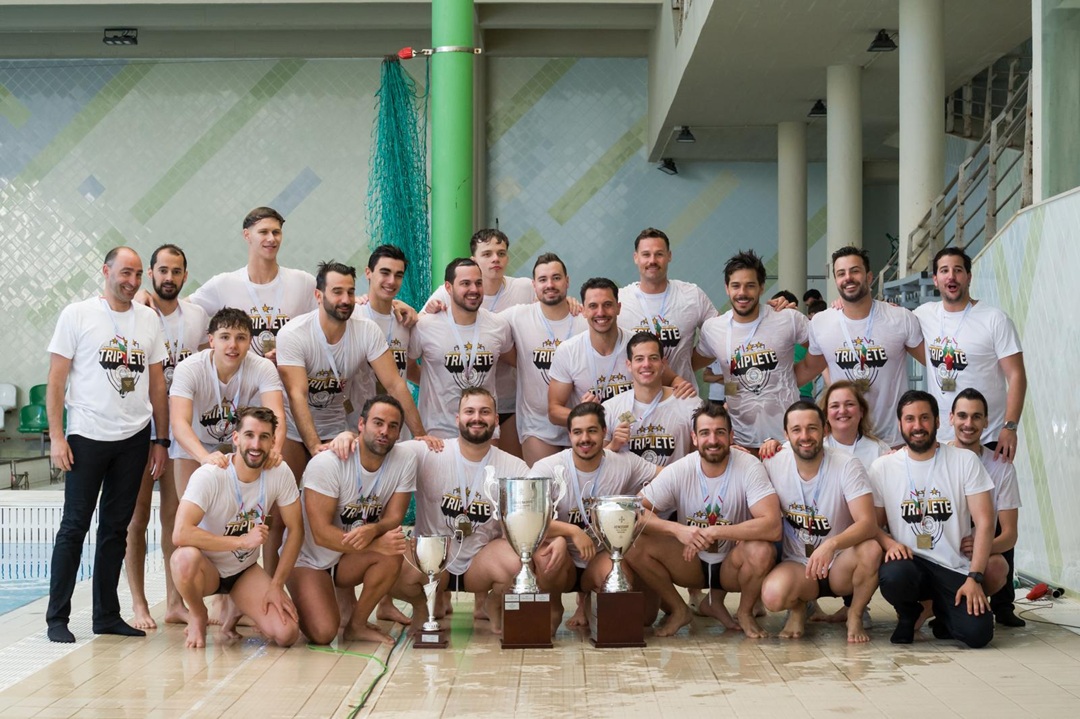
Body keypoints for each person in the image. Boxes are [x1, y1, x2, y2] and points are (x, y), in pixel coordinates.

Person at [46, 247, 169, 643]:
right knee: (74, 526)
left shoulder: (148, 319)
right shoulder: (77, 314)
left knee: (116, 528)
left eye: (138, 274)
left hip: (134, 438)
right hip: (86, 436)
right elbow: (56, 379)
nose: (132, 281)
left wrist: (161, 440)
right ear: (106, 271)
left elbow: (157, 384)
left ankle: (106, 615)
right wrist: (57, 436)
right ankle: (57, 618)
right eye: (125, 273)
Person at [627, 403, 781, 638]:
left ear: (731, 436)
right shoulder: (682, 468)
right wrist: (677, 530)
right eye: (705, 433)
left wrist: (717, 531)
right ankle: (679, 609)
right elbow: (634, 511)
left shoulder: (749, 465)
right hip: (691, 562)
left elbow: (772, 526)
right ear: (694, 438)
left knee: (762, 550)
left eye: (720, 432)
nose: (713, 440)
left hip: (732, 563)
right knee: (632, 543)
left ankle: (745, 612)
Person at [393, 388, 532, 635]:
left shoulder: (515, 467)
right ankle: (422, 608)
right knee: (391, 561)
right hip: (434, 559)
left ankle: (493, 602)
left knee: (519, 561)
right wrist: (348, 439)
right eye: (469, 411)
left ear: (496, 419)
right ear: (457, 419)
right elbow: (380, 449)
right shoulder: (430, 451)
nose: (477, 418)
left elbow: (530, 522)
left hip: (481, 562)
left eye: (485, 412)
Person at [869, 390, 1001, 648]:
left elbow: (985, 522)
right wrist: (889, 543)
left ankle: (944, 614)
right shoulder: (883, 467)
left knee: (978, 635)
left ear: (938, 421)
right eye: (909, 419)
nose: (917, 426)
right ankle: (909, 612)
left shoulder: (965, 461)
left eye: (924, 418)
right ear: (900, 424)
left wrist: (975, 578)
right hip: (910, 562)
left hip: (953, 566)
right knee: (894, 575)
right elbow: (872, 525)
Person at [125, 243, 209, 630]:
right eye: (162, 270)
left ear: (185, 276)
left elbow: (209, 360)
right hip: (141, 428)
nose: (169, 278)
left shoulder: (197, 316)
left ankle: (175, 602)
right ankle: (139, 604)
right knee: (136, 518)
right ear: (151, 274)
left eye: (176, 271)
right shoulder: (136, 313)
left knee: (175, 517)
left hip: (180, 429)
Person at [171, 407, 303, 649]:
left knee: (287, 634)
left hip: (243, 571)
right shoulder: (211, 475)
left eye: (264, 437)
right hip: (207, 569)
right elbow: (180, 533)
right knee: (183, 559)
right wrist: (241, 542)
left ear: (273, 442)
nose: (256, 445)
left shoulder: (279, 472)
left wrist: (276, 585)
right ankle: (198, 614)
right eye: (249, 435)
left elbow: (296, 530)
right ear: (236, 438)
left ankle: (237, 608)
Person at [288, 395, 413, 645]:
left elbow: (394, 517)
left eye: (392, 426)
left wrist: (375, 530)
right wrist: (374, 543)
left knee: (392, 553)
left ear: (399, 433)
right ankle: (307, 598)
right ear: (361, 424)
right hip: (310, 559)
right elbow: (321, 534)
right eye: (378, 423)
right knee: (324, 633)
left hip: (347, 559)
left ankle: (356, 625)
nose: (384, 431)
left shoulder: (405, 459)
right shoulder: (328, 462)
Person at [527, 402, 659, 629]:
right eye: (578, 432)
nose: (585, 439)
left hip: (600, 556)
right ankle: (554, 604)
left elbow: (669, 476)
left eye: (592, 431)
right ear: (569, 435)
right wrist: (571, 531)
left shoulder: (623, 462)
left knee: (643, 617)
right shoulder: (548, 467)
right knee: (547, 554)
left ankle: (590, 599)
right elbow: (528, 518)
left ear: (604, 432)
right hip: (564, 560)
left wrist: (718, 457)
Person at [760, 401, 882, 643]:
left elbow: (868, 523)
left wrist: (831, 545)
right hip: (799, 564)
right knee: (773, 596)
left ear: (825, 430)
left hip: (840, 563)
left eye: (812, 428)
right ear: (786, 435)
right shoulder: (773, 462)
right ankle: (799, 608)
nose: (805, 436)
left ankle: (855, 614)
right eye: (796, 430)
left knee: (871, 549)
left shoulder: (847, 464)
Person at [798, 246, 925, 447]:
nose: (848, 278)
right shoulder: (822, 323)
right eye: (841, 273)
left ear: (869, 276)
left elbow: (934, 364)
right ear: (836, 280)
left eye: (855, 271)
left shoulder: (899, 318)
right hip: (846, 443)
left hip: (893, 442)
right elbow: (806, 369)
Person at [424, 229, 535, 455]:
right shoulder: (445, 293)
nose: (495, 259)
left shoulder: (524, 288)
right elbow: (422, 334)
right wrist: (438, 380)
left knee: (500, 467)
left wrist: (572, 304)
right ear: (474, 260)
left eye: (501, 253)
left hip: (510, 399)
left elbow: (550, 304)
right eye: (487, 254)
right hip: (460, 407)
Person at [913, 247, 1026, 461]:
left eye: (958, 270)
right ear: (935, 280)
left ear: (969, 277)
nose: (951, 276)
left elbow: (1016, 375)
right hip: (942, 439)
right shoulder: (924, 315)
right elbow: (895, 326)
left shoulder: (994, 319)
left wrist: (1010, 426)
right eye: (944, 271)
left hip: (988, 437)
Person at [694, 250, 809, 455]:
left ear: (762, 287)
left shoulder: (787, 318)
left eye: (750, 285)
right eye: (736, 285)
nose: (742, 293)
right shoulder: (713, 329)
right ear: (726, 288)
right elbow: (689, 363)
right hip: (741, 441)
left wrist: (791, 379)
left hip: (787, 439)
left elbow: (820, 352)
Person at [186, 207, 316, 362]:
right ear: (247, 235)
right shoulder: (224, 284)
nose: (271, 238)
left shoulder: (303, 282)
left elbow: (327, 326)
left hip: (290, 375)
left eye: (276, 232)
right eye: (263, 232)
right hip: (242, 377)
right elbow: (179, 310)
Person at [409, 259, 514, 439]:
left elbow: (515, 362)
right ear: (448, 288)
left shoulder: (498, 325)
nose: (474, 289)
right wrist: (435, 383)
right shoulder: (425, 326)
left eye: (478, 283)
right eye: (465, 283)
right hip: (438, 432)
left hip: (484, 429)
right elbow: (408, 367)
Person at [499, 253, 587, 464]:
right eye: (543, 279)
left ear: (567, 281)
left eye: (556, 278)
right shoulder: (518, 316)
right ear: (534, 285)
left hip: (581, 421)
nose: (550, 285)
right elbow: (481, 323)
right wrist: (438, 308)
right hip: (537, 426)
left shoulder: (584, 320)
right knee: (543, 484)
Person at [948, 388, 1024, 627]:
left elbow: (1010, 535)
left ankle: (1000, 605)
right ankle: (939, 609)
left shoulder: (1001, 467)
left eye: (976, 417)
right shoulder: (936, 456)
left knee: (998, 557)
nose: (968, 424)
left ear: (986, 421)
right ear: (951, 418)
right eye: (962, 416)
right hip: (942, 550)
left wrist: (983, 547)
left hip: (976, 553)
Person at [618, 228, 717, 383]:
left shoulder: (692, 295)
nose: (652, 260)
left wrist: (687, 365)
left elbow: (720, 334)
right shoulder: (619, 300)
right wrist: (575, 306)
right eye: (646, 254)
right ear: (636, 257)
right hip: (637, 395)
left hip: (681, 394)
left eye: (659, 254)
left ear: (669, 256)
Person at [603, 332, 700, 468]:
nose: (646, 364)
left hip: (675, 481)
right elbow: (596, 464)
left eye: (653, 358)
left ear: (663, 363)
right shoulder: (610, 408)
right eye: (639, 359)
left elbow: (701, 457)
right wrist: (613, 446)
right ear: (629, 365)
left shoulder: (690, 404)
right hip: (628, 483)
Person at [346, 245, 413, 431]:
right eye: (385, 272)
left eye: (398, 275)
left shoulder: (406, 320)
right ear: (368, 273)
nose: (391, 281)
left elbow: (411, 368)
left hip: (396, 428)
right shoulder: (351, 317)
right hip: (356, 427)